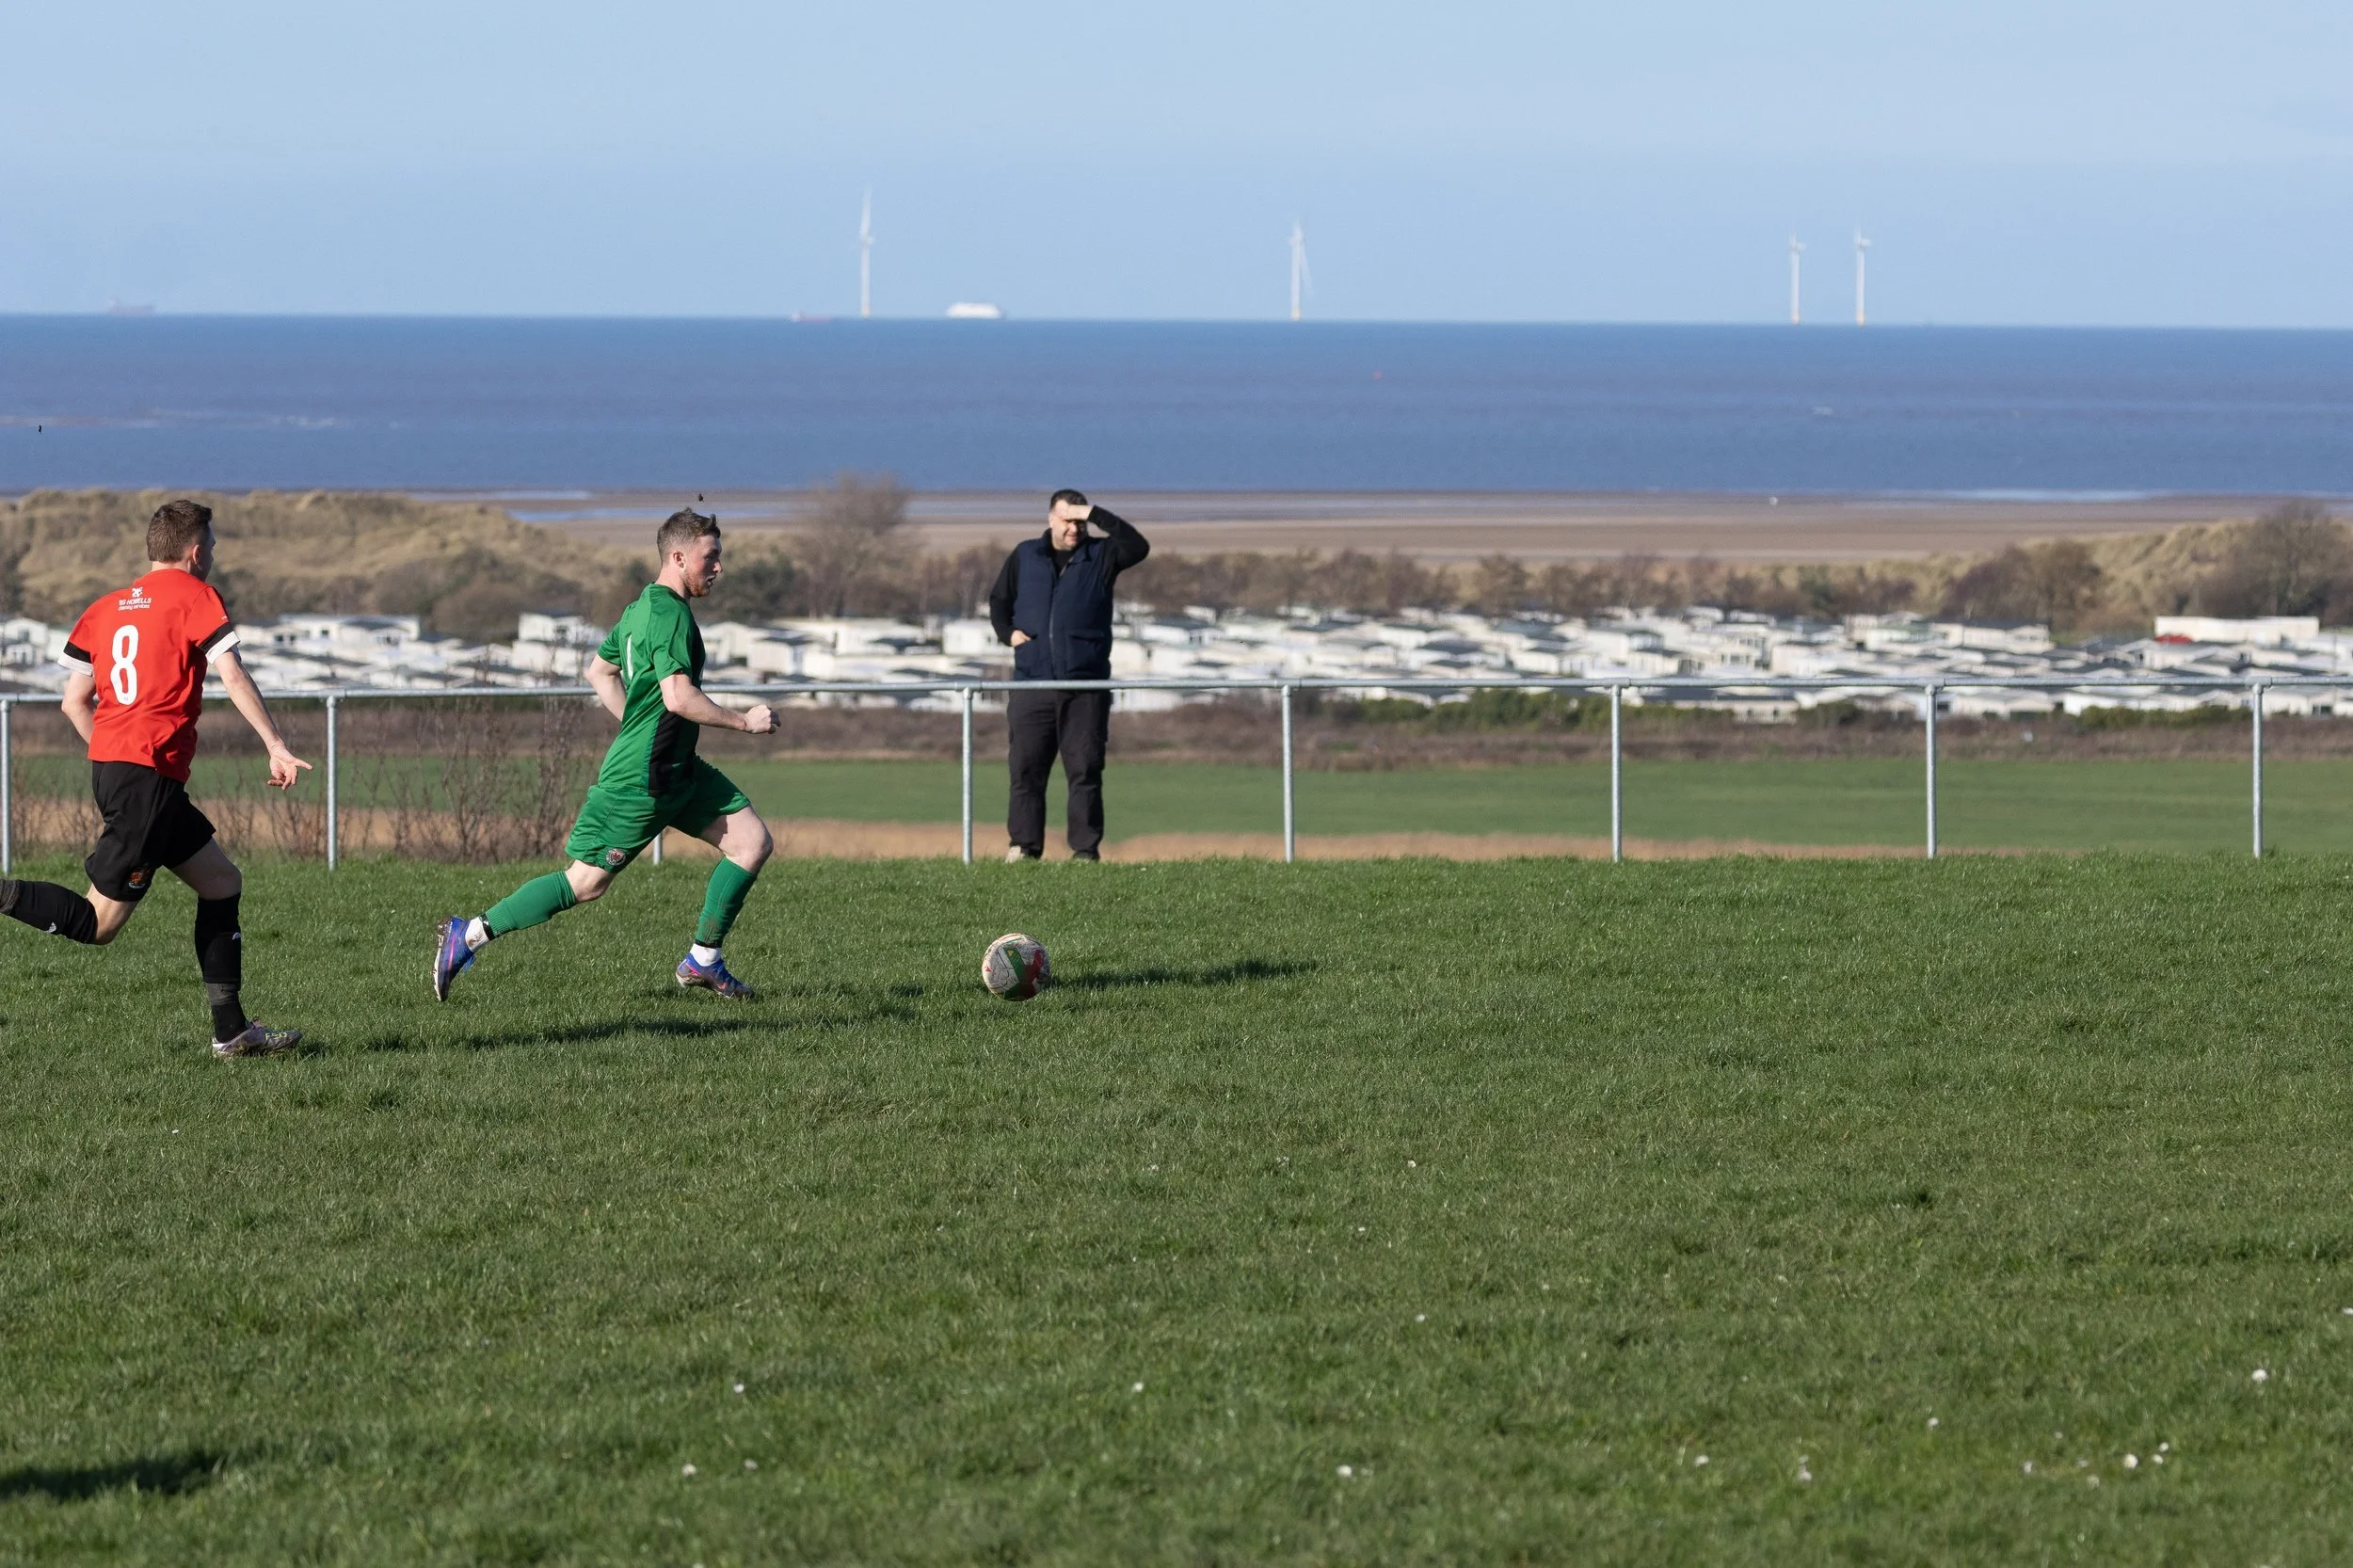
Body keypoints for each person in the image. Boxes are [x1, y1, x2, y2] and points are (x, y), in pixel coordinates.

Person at [0, 499, 311, 1059]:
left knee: (221, 883)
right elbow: (233, 675)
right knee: (98, 924)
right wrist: (276, 744)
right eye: (211, 547)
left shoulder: (105, 608)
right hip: (146, 780)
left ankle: (233, 1034)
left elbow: (74, 702)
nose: (212, 555)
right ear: (195, 552)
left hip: (123, 770)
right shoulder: (197, 597)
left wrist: (115, 753)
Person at [433, 506, 777, 1001]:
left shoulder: (641, 609)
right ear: (678, 557)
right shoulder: (670, 616)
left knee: (751, 843)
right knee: (585, 883)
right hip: (643, 779)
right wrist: (745, 721)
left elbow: (599, 671)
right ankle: (467, 937)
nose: (719, 567)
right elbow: (679, 697)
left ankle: (703, 961)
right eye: (711, 557)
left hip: (676, 769)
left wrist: (637, 728)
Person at [987, 489, 1149, 861]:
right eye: (1067, 520)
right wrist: (1008, 635)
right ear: (1050, 519)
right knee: (1026, 770)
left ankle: (1084, 850)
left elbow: (1138, 546)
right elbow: (999, 600)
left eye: (1080, 521)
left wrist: (1095, 512)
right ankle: (1024, 847)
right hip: (1033, 683)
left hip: (1085, 686)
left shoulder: (1102, 556)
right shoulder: (1025, 555)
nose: (1074, 528)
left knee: (1084, 769)